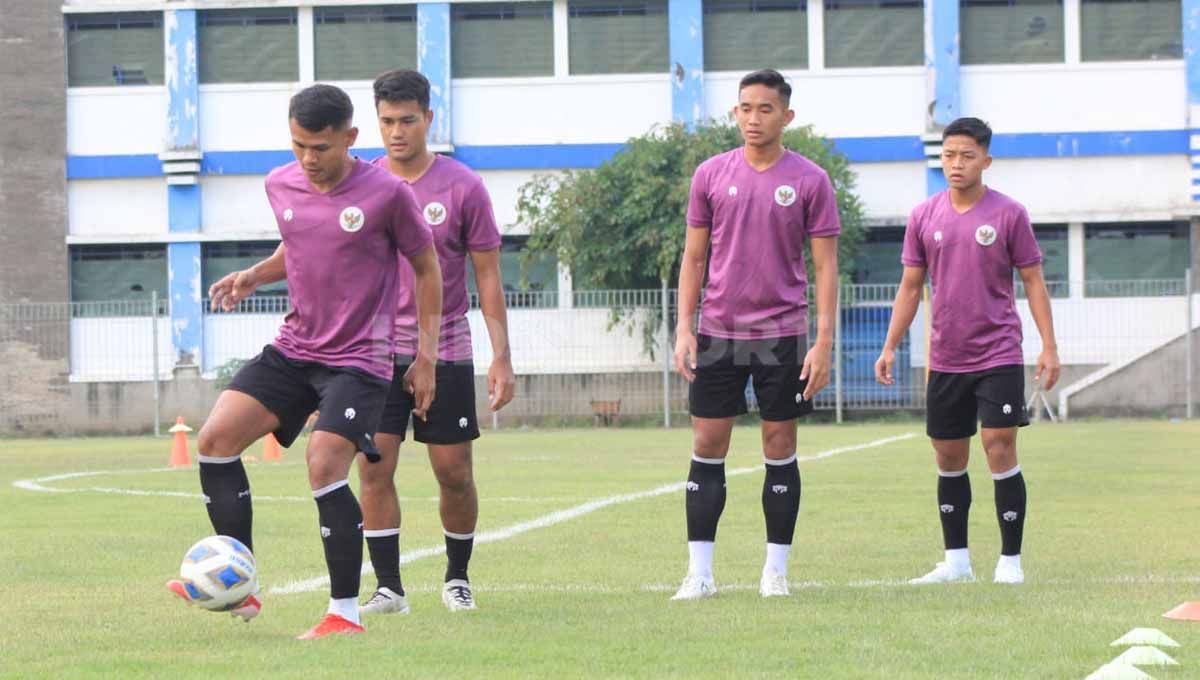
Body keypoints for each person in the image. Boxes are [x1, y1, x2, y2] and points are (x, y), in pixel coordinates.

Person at [209, 70, 516, 614]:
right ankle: (389, 588)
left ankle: (456, 576)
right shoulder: (321, 180)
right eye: (387, 121)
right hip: (360, 347)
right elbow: (307, 244)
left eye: (407, 120)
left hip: (434, 346)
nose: (396, 132)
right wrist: (254, 274)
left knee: (453, 472)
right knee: (372, 468)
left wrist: (497, 355)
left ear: (427, 119)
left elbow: (479, 273)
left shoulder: (451, 187)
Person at [170, 84, 443, 640]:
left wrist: (426, 356)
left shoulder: (388, 194)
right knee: (215, 441)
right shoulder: (281, 183)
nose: (308, 160)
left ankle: (344, 612)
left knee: (323, 465)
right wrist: (254, 274)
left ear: (350, 138)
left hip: (361, 360)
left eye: (320, 148)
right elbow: (296, 245)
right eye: (298, 146)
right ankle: (239, 586)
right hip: (296, 349)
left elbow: (427, 268)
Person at [672, 69, 840, 600]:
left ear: (786, 116)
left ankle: (776, 571)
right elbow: (694, 257)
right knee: (706, 445)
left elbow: (826, 268)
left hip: (783, 334)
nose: (753, 117)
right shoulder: (710, 175)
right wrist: (683, 327)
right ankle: (699, 574)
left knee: (779, 445)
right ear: (735, 113)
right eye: (745, 108)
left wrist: (823, 341)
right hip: (718, 331)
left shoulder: (810, 180)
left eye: (765, 108)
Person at [874, 116, 1060, 586]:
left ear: (986, 160)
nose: (956, 164)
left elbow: (1033, 280)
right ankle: (956, 562)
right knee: (949, 456)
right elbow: (911, 287)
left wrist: (1049, 347)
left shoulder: (1008, 214)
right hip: (945, 358)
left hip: (997, 351)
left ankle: (1010, 562)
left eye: (967, 155)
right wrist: (891, 345)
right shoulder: (924, 216)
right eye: (949, 155)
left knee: (999, 446)